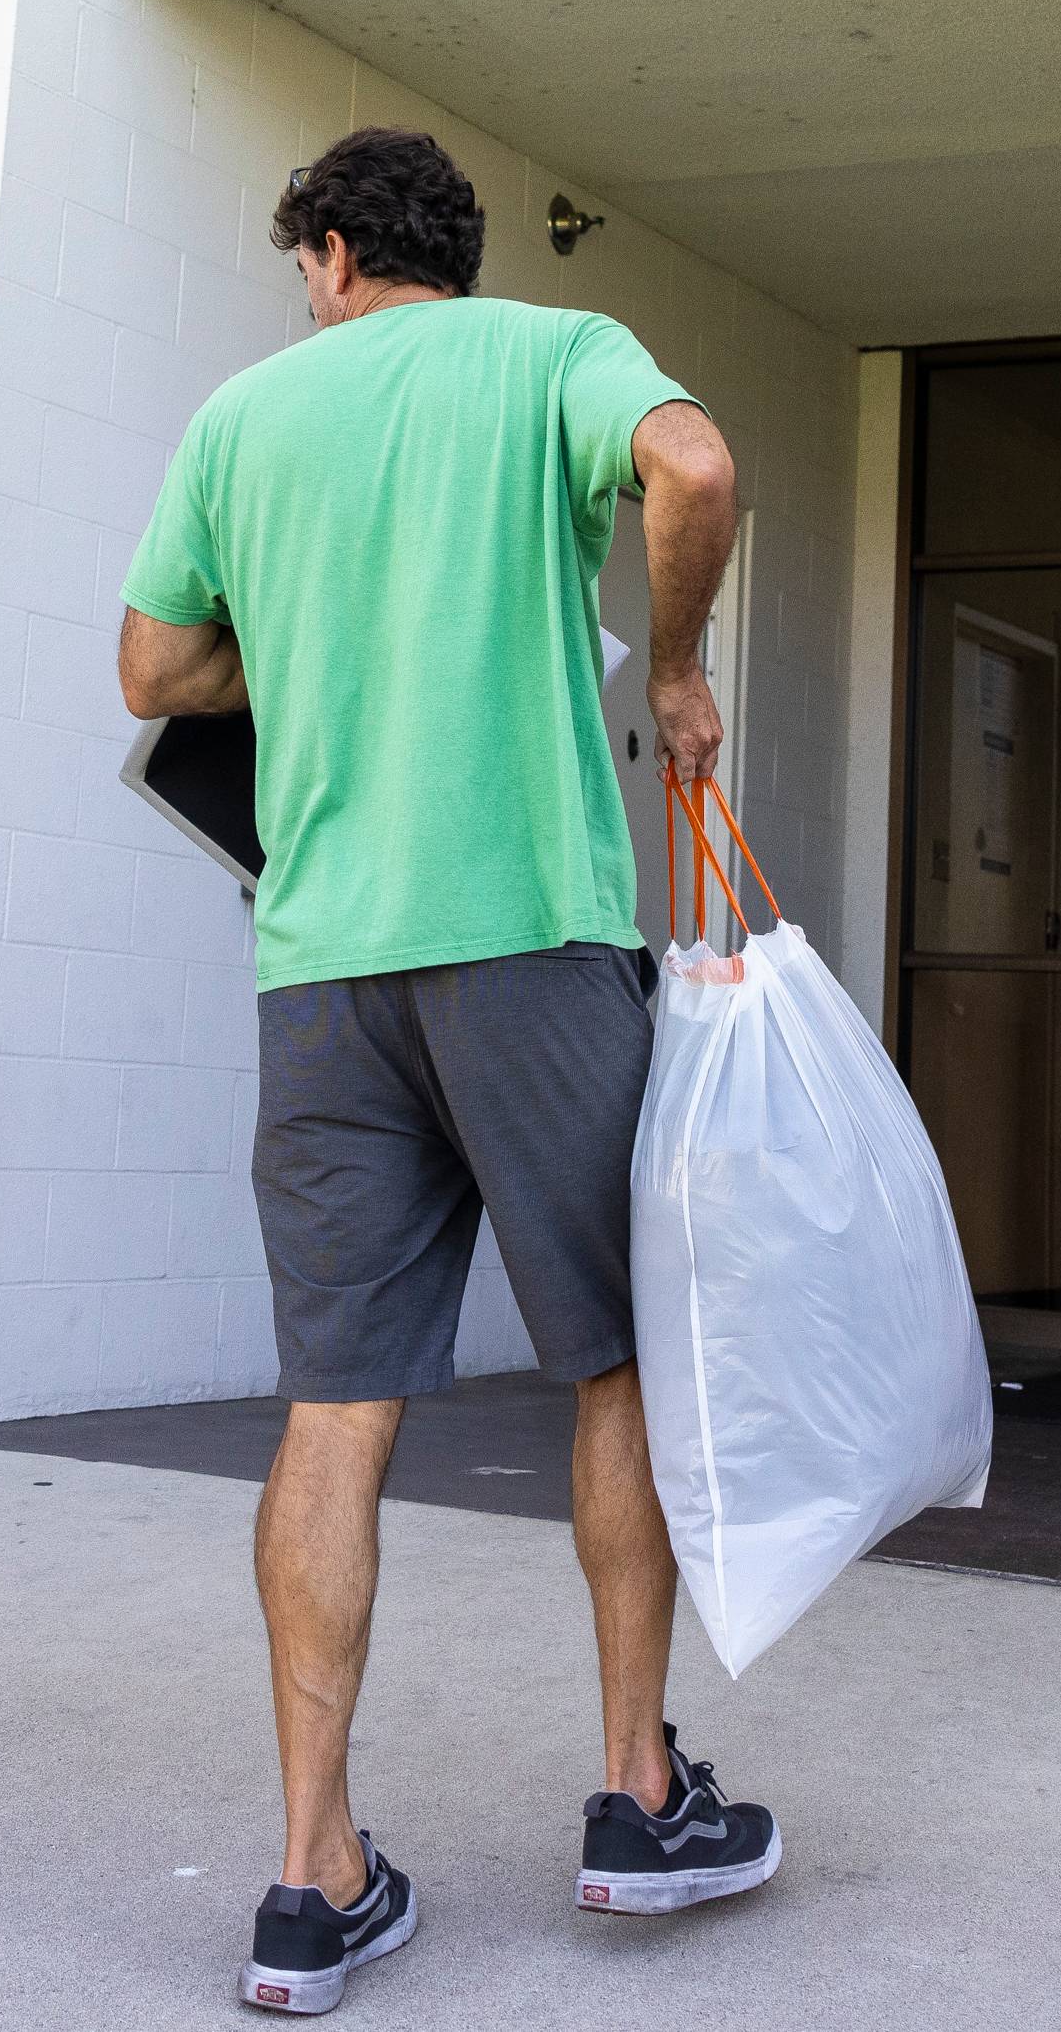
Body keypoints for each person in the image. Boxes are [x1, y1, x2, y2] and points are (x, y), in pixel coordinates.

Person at [116, 127, 776, 2019]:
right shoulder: (553, 350)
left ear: (332, 252)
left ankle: (311, 1876)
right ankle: (636, 1796)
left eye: (301, 264)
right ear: (448, 254)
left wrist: (305, 636)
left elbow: (154, 667)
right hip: (529, 935)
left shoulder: (242, 419)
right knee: (615, 1353)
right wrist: (674, 660)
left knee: (334, 1406)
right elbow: (697, 466)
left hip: (322, 965)